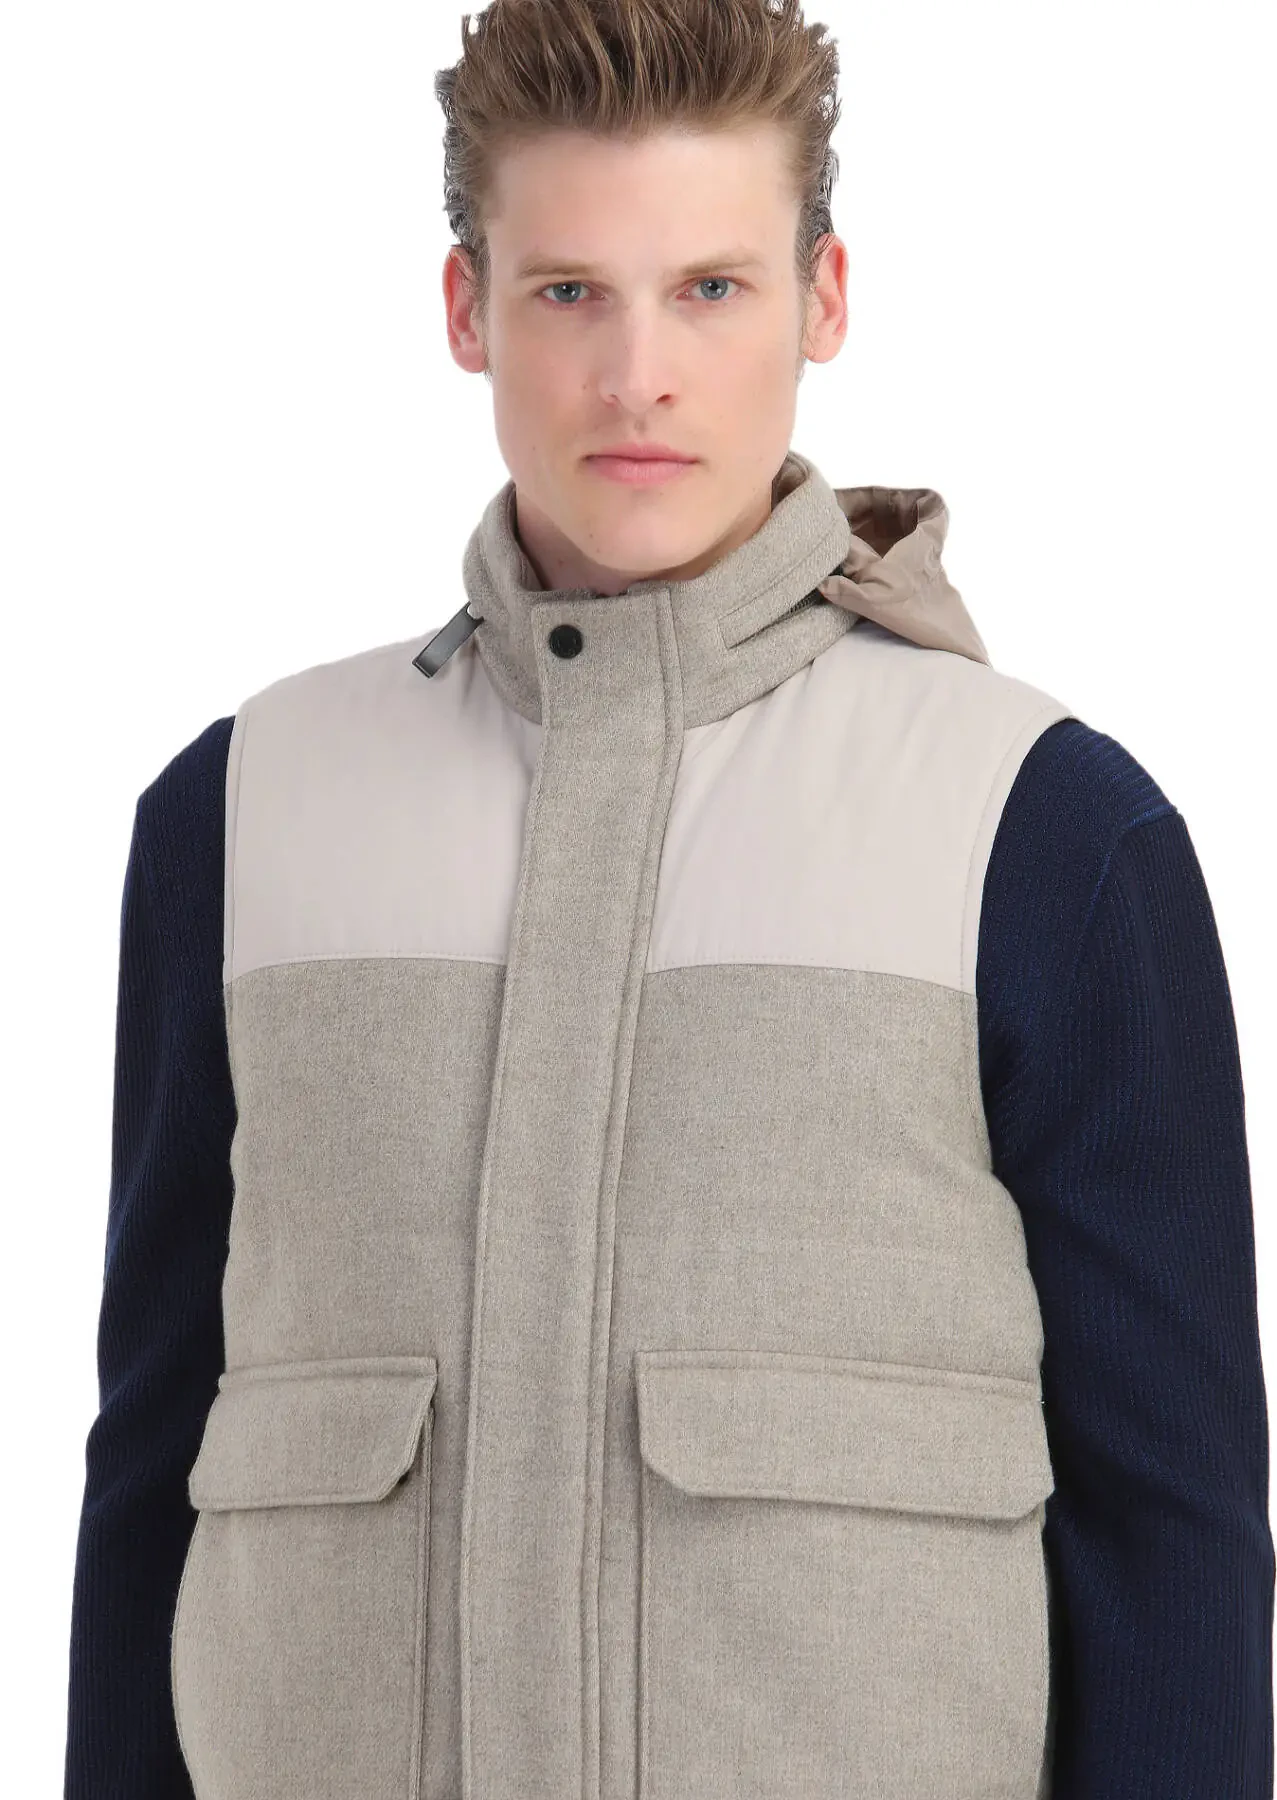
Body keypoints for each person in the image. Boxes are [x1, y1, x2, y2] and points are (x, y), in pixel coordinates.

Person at [63, 2, 1273, 1797]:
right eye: (570, 292)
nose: (638, 376)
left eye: (711, 288)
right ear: (466, 309)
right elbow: (149, 1467)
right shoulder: (240, 822)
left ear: (824, 299)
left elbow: (1174, 1531)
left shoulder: (1040, 831)